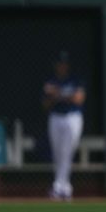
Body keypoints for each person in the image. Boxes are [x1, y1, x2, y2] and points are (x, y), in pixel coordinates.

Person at [42, 51, 85, 201]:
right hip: (56, 117)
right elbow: (46, 104)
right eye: (60, 64)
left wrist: (58, 94)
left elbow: (79, 99)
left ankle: (59, 186)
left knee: (67, 152)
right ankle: (64, 187)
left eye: (64, 64)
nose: (62, 66)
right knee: (57, 152)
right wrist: (65, 95)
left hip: (72, 118)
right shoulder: (52, 80)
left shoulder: (75, 80)